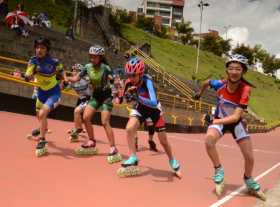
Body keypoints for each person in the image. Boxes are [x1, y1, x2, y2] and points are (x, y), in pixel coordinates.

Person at [194, 54, 265, 200]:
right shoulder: (220, 84)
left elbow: (236, 117)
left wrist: (214, 121)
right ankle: (219, 169)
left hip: (235, 123)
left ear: (243, 71)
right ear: (227, 70)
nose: (234, 71)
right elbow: (206, 82)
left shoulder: (245, 89)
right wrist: (199, 94)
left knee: (250, 158)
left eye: (237, 69)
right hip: (220, 119)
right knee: (209, 140)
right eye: (231, 68)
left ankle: (248, 179)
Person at [117, 57, 180, 177]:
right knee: (129, 129)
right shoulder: (128, 82)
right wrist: (119, 96)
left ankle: (172, 160)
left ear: (141, 74)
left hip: (154, 111)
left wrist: (137, 97)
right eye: (129, 75)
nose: (131, 78)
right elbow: (120, 100)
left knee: (163, 141)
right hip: (141, 109)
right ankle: (133, 157)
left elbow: (153, 102)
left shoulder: (147, 81)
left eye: (134, 75)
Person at [66, 45, 121, 164]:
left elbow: (115, 80)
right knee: (85, 117)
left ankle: (113, 148)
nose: (92, 59)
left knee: (104, 122)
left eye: (95, 57)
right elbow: (76, 78)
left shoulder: (105, 68)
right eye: (91, 56)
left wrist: (116, 89)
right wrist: (67, 78)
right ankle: (91, 141)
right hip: (95, 95)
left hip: (106, 96)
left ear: (100, 57)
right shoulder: (87, 67)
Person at [24, 37, 65, 157]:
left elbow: (62, 71)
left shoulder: (54, 61)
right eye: (37, 48)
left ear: (47, 50)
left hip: (54, 92)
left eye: (42, 48)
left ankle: (42, 140)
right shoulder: (33, 60)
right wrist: (27, 76)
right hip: (41, 92)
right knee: (39, 115)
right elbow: (29, 73)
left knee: (42, 114)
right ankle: (43, 128)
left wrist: (65, 80)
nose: (39, 50)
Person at [65, 63, 92, 142]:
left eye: (77, 70)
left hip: (90, 99)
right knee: (77, 113)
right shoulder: (72, 82)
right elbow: (64, 89)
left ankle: (78, 129)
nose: (74, 72)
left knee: (77, 111)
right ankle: (77, 131)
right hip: (82, 100)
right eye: (73, 70)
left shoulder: (85, 79)